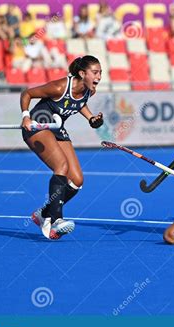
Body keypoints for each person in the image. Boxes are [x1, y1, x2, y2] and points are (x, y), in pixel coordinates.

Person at [20, 55, 104, 240]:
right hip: (38, 124)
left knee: (77, 179)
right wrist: (26, 116)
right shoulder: (59, 87)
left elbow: (79, 104)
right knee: (61, 167)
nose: (99, 77)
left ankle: (44, 213)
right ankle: (56, 219)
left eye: (100, 73)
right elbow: (27, 93)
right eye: (95, 72)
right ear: (82, 73)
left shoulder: (90, 90)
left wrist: (91, 118)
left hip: (57, 128)